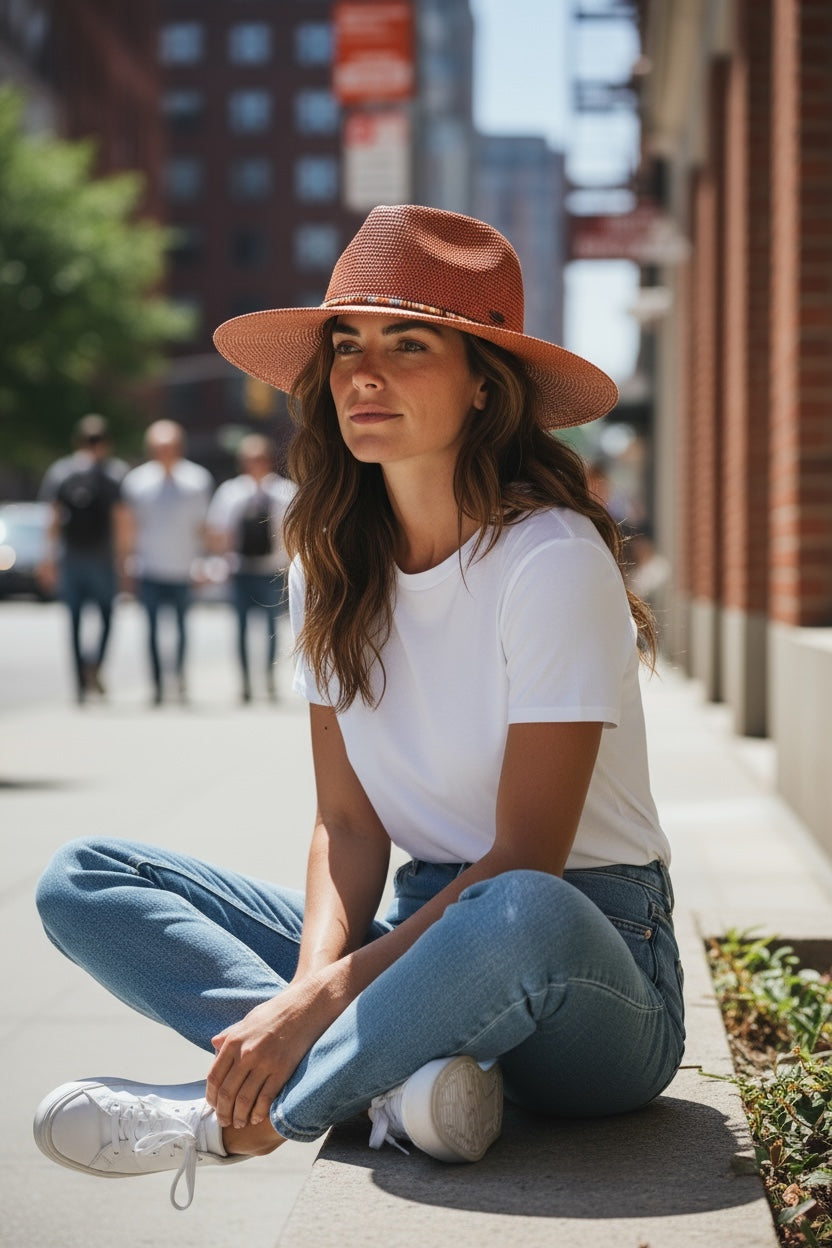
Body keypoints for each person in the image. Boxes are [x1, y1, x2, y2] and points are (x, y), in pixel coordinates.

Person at [33, 205, 685, 1212]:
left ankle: (238, 1119)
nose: (362, 373)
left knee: (509, 908)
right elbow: (345, 825)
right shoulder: (329, 564)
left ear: (483, 383)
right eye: (346, 346)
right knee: (84, 878)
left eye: (407, 343)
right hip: (420, 926)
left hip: (585, 961)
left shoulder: (549, 559)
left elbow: (528, 859)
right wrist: (309, 982)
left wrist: (317, 1003)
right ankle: (404, 1089)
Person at [37, 414, 129, 703]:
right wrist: (124, 559)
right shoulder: (114, 474)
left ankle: (79, 684)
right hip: (100, 559)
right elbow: (122, 521)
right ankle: (94, 666)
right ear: (107, 443)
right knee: (106, 618)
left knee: (75, 622)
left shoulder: (61, 472)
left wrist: (48, 558)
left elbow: (52, 519)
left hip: (73, 557)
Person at [121, 420, 214, 705]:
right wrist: (126, 563)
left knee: (183, 630)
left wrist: (204, 562)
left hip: (183, 568)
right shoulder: (136, 482)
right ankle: (158, 685)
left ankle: (180, 679)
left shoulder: (197, 480)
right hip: (149, 567)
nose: (165, 451)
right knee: (150, 631)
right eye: (159, 446)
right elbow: (129, 527)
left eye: (170, 445)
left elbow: (203, 528)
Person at [206, 434, 295, 702]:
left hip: (272, 570)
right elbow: (217, 532)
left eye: (259, 458)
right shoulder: (231, 493)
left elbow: (294, 533)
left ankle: (268, 679)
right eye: (249, 458)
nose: (254, 463)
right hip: (240, 569)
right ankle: (245, 682)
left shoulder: (285, 492)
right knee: (241, 628)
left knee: (271, 628)